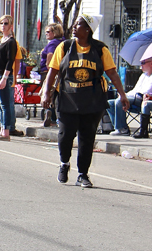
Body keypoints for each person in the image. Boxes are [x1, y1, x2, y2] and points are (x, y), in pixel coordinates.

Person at [41, 13, 129, 188]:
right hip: (67, 97)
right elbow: (53, 71)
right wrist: (46, 93)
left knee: (87, 138)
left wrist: (122, 94)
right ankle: (64, 163)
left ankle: (83, 174)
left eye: (79, 25)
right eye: (74, 24)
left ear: (88, 29)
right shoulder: (65, 47)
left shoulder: (100, 49)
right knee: (65, 135)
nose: (74, 27)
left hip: (92, 100)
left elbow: (111, 72)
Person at [107, 56, 152, 135]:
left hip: (143, 101)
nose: (141, 66)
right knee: (109, 103)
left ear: (151, 63)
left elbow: (145, 92)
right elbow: (135, 90)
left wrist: (125, 97)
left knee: (119, 101)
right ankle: (119, 127)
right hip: (135, 98)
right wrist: (124, 95)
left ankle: (122, 129)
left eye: (143, 63)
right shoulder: (144, 75)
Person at [38, 22, 65, 127]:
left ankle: (51, 117)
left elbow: (50, 57)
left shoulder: (53, 43)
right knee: (56, 94)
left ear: (55, 32)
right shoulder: (62, 41)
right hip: (60, 72)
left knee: (48, 92)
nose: (46, 34)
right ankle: (53, 117)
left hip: (49, 72)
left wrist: (50, 68)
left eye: (48, 32)